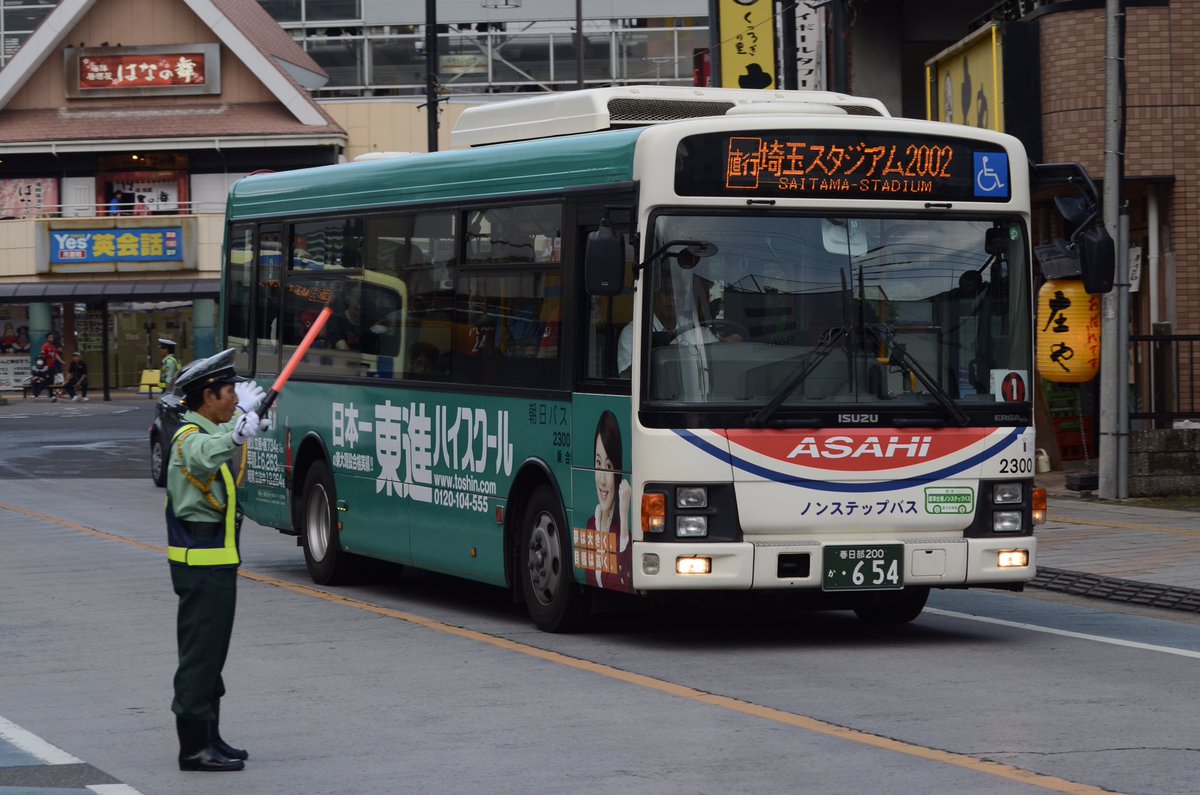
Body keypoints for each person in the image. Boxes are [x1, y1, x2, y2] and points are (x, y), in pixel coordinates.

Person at [166, 348, 269, 772]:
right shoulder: (188, 437)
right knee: (200, 655)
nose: (233, 398)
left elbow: (218, 447)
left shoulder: (206, 429)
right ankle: (193, 748)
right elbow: (204, 454)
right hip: (201, 564)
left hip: (216, 562)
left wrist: (241, 418)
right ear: (209, 395)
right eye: (228, 391)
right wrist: (236, 435)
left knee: (213, 654)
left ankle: (210, 735)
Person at [617, 267, 720, 376]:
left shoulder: (694, 329)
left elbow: (719, 357)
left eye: (679, 293)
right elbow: (628, 377)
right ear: (653, 295)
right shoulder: (634, 332)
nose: (674, 298)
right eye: (667, 292)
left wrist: (728, 345)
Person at [587, 410, 631, 589]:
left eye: (609, 466)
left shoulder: (623, 532)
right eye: (598, 464)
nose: (603, 480)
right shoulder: (590, 525)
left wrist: (624, 517)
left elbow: (627, 580)